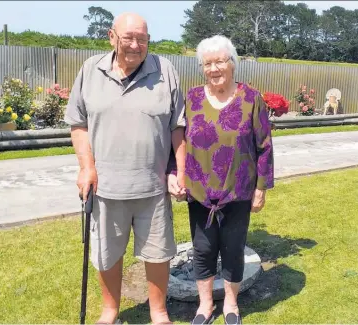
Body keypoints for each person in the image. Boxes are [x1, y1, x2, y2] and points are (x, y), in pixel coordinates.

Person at [64, 12, 186, 325]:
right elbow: (78, 123)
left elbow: (178, 126)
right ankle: (110, 311)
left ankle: (159, 313)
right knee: (107, 253)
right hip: (105, 188)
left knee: (158, 254)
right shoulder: (91, 69)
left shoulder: (165, 70)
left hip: (153, 188)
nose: (135, 45)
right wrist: (86, 168)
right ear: (111, 37)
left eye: (142, 39)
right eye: (128, 37)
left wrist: (180, 170)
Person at [181, 35, 274, 325]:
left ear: (232, 63)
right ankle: (205, 306)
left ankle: (231, 305)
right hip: (200, 192)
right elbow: (179, 142)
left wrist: (261, 188)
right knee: (203, 249)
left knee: (233, 248)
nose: (214, 68)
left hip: (238, 191)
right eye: (207, 63)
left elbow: (264, 146)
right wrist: (177, 175)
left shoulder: (251, 98)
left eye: (220, 61)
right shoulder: (192, 98)